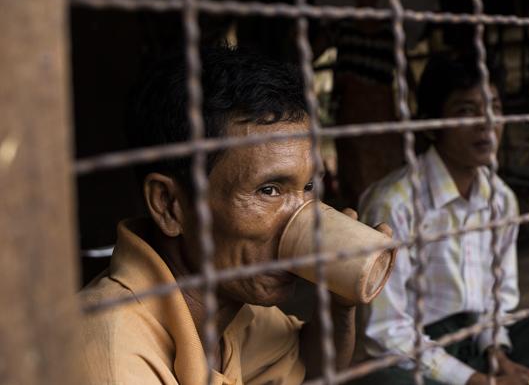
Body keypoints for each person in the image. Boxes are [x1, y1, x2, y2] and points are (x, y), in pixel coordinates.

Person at [79, 47, 375, 384]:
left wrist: (339, 303)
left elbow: (309, 363)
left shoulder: (229, 303)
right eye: (269, 190)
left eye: (308, 186)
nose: (302, 219)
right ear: (169, 205)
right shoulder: (113, 354)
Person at [355, 56, 529, 384]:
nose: (487, 123)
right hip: (418, 347)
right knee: (383, 380)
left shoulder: (500, 198)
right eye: (466, 111)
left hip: (479, 341)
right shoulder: (393, 203)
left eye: (494, 106)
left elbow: (497, 299)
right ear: (429, 123)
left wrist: (498, 356)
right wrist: (477, 381)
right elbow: (385, 332)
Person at [325, 0, 413, 208]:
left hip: (384, 118)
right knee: (358, 187)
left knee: (390, 183)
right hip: (351, 117)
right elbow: (306, 51)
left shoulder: (391, 31)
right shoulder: (342, 27)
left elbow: (406, 73)